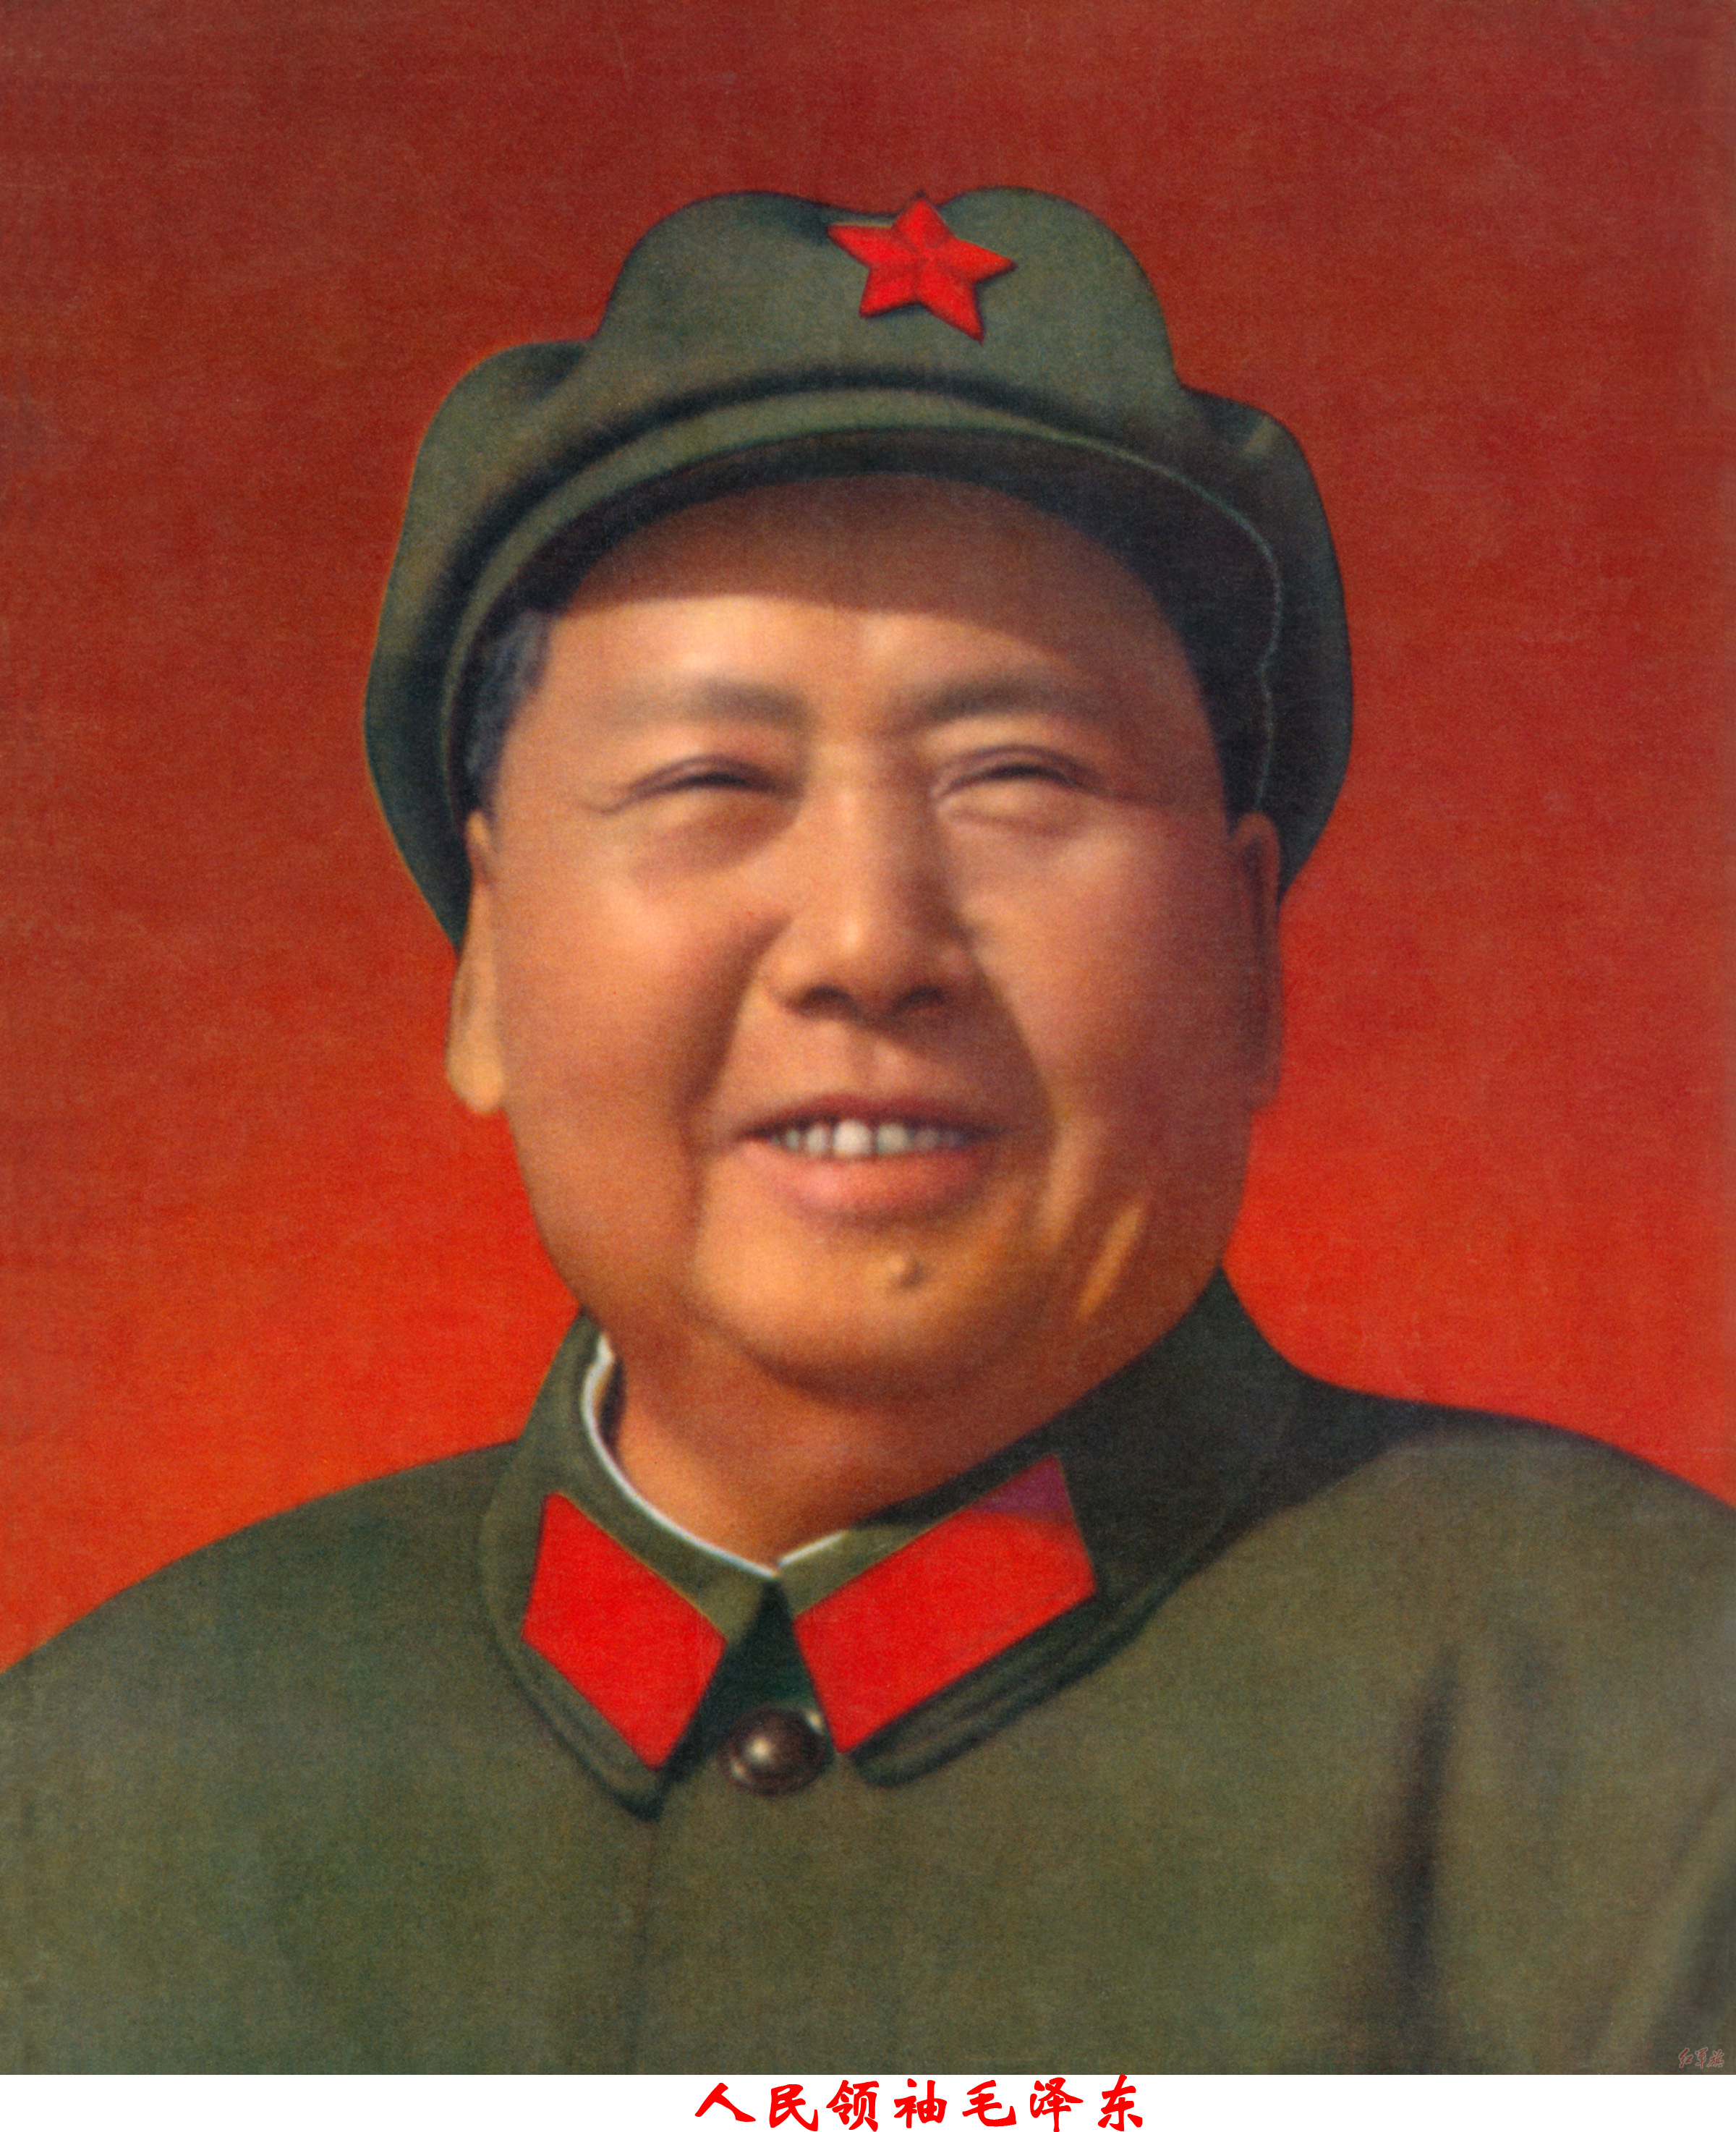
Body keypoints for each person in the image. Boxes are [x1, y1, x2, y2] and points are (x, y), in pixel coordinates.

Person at [0, 189, 1729, 2075]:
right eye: (709, 779)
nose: (868, 942)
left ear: (1246, 956)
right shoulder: (95, 1794)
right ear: (487, 957)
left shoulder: (1660, 1738)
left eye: (1020, 774)